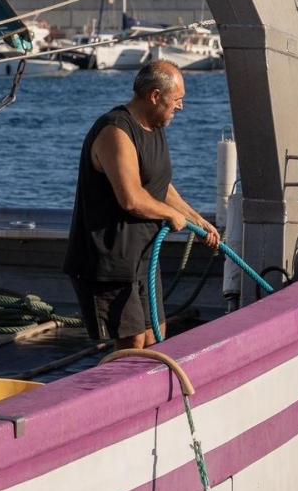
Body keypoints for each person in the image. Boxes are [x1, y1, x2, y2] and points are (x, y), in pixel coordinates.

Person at [64, 60, 220, 350]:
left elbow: (160, 187)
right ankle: (106, 394)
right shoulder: (115, 131)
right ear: (154, 96)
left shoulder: (156, 126)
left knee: (155, 335)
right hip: (107, 260)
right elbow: (131, 198)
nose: (181, 107)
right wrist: (171, 216)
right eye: (177, 100)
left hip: (142, 257)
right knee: (133, 341)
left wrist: (198, 220)